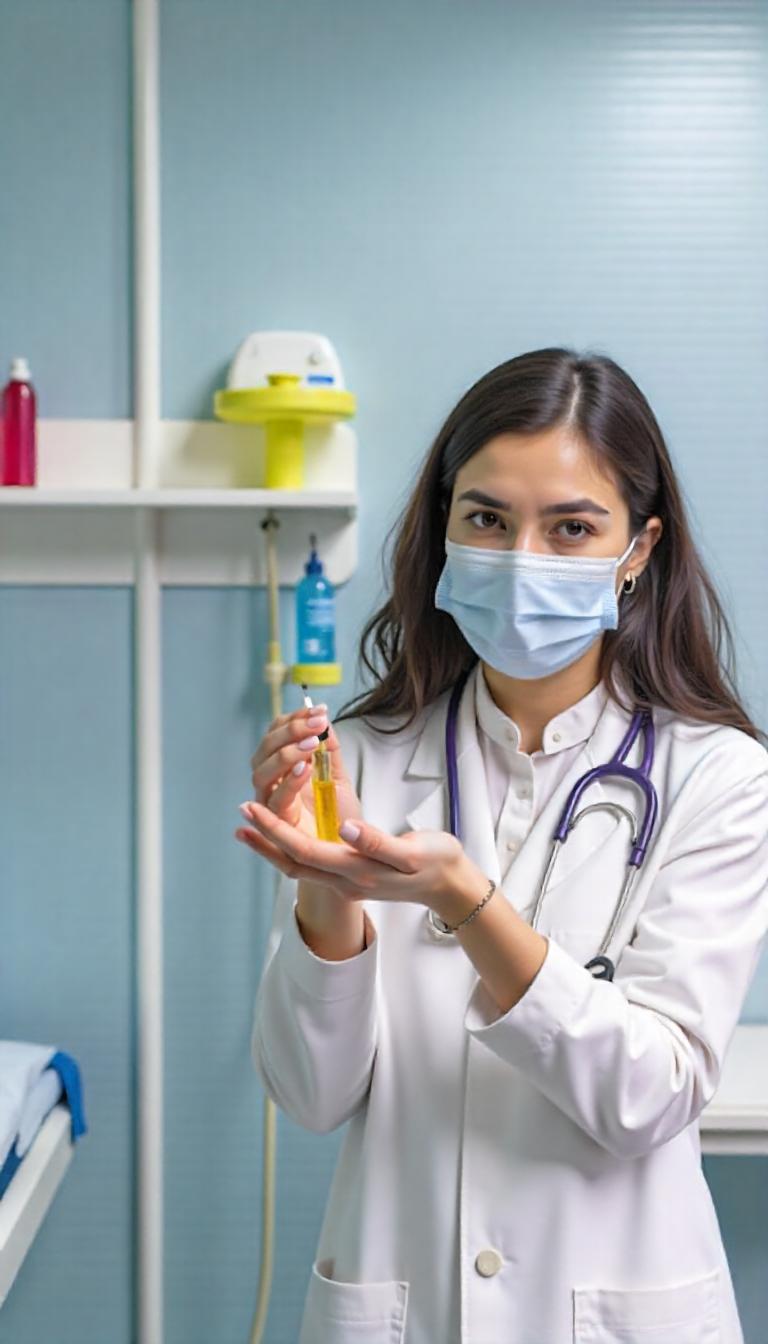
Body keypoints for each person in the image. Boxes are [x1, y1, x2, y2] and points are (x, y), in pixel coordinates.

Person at [235, 347, 768, 1344]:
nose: (524, 558)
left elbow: (650, 1093)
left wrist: (468, 905)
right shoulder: (359, 758)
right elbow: (311, 1096)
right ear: (445, 526)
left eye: (572, 528)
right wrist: (325, 889)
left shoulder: (720, 778)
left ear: (639, 547)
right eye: (486, 519)